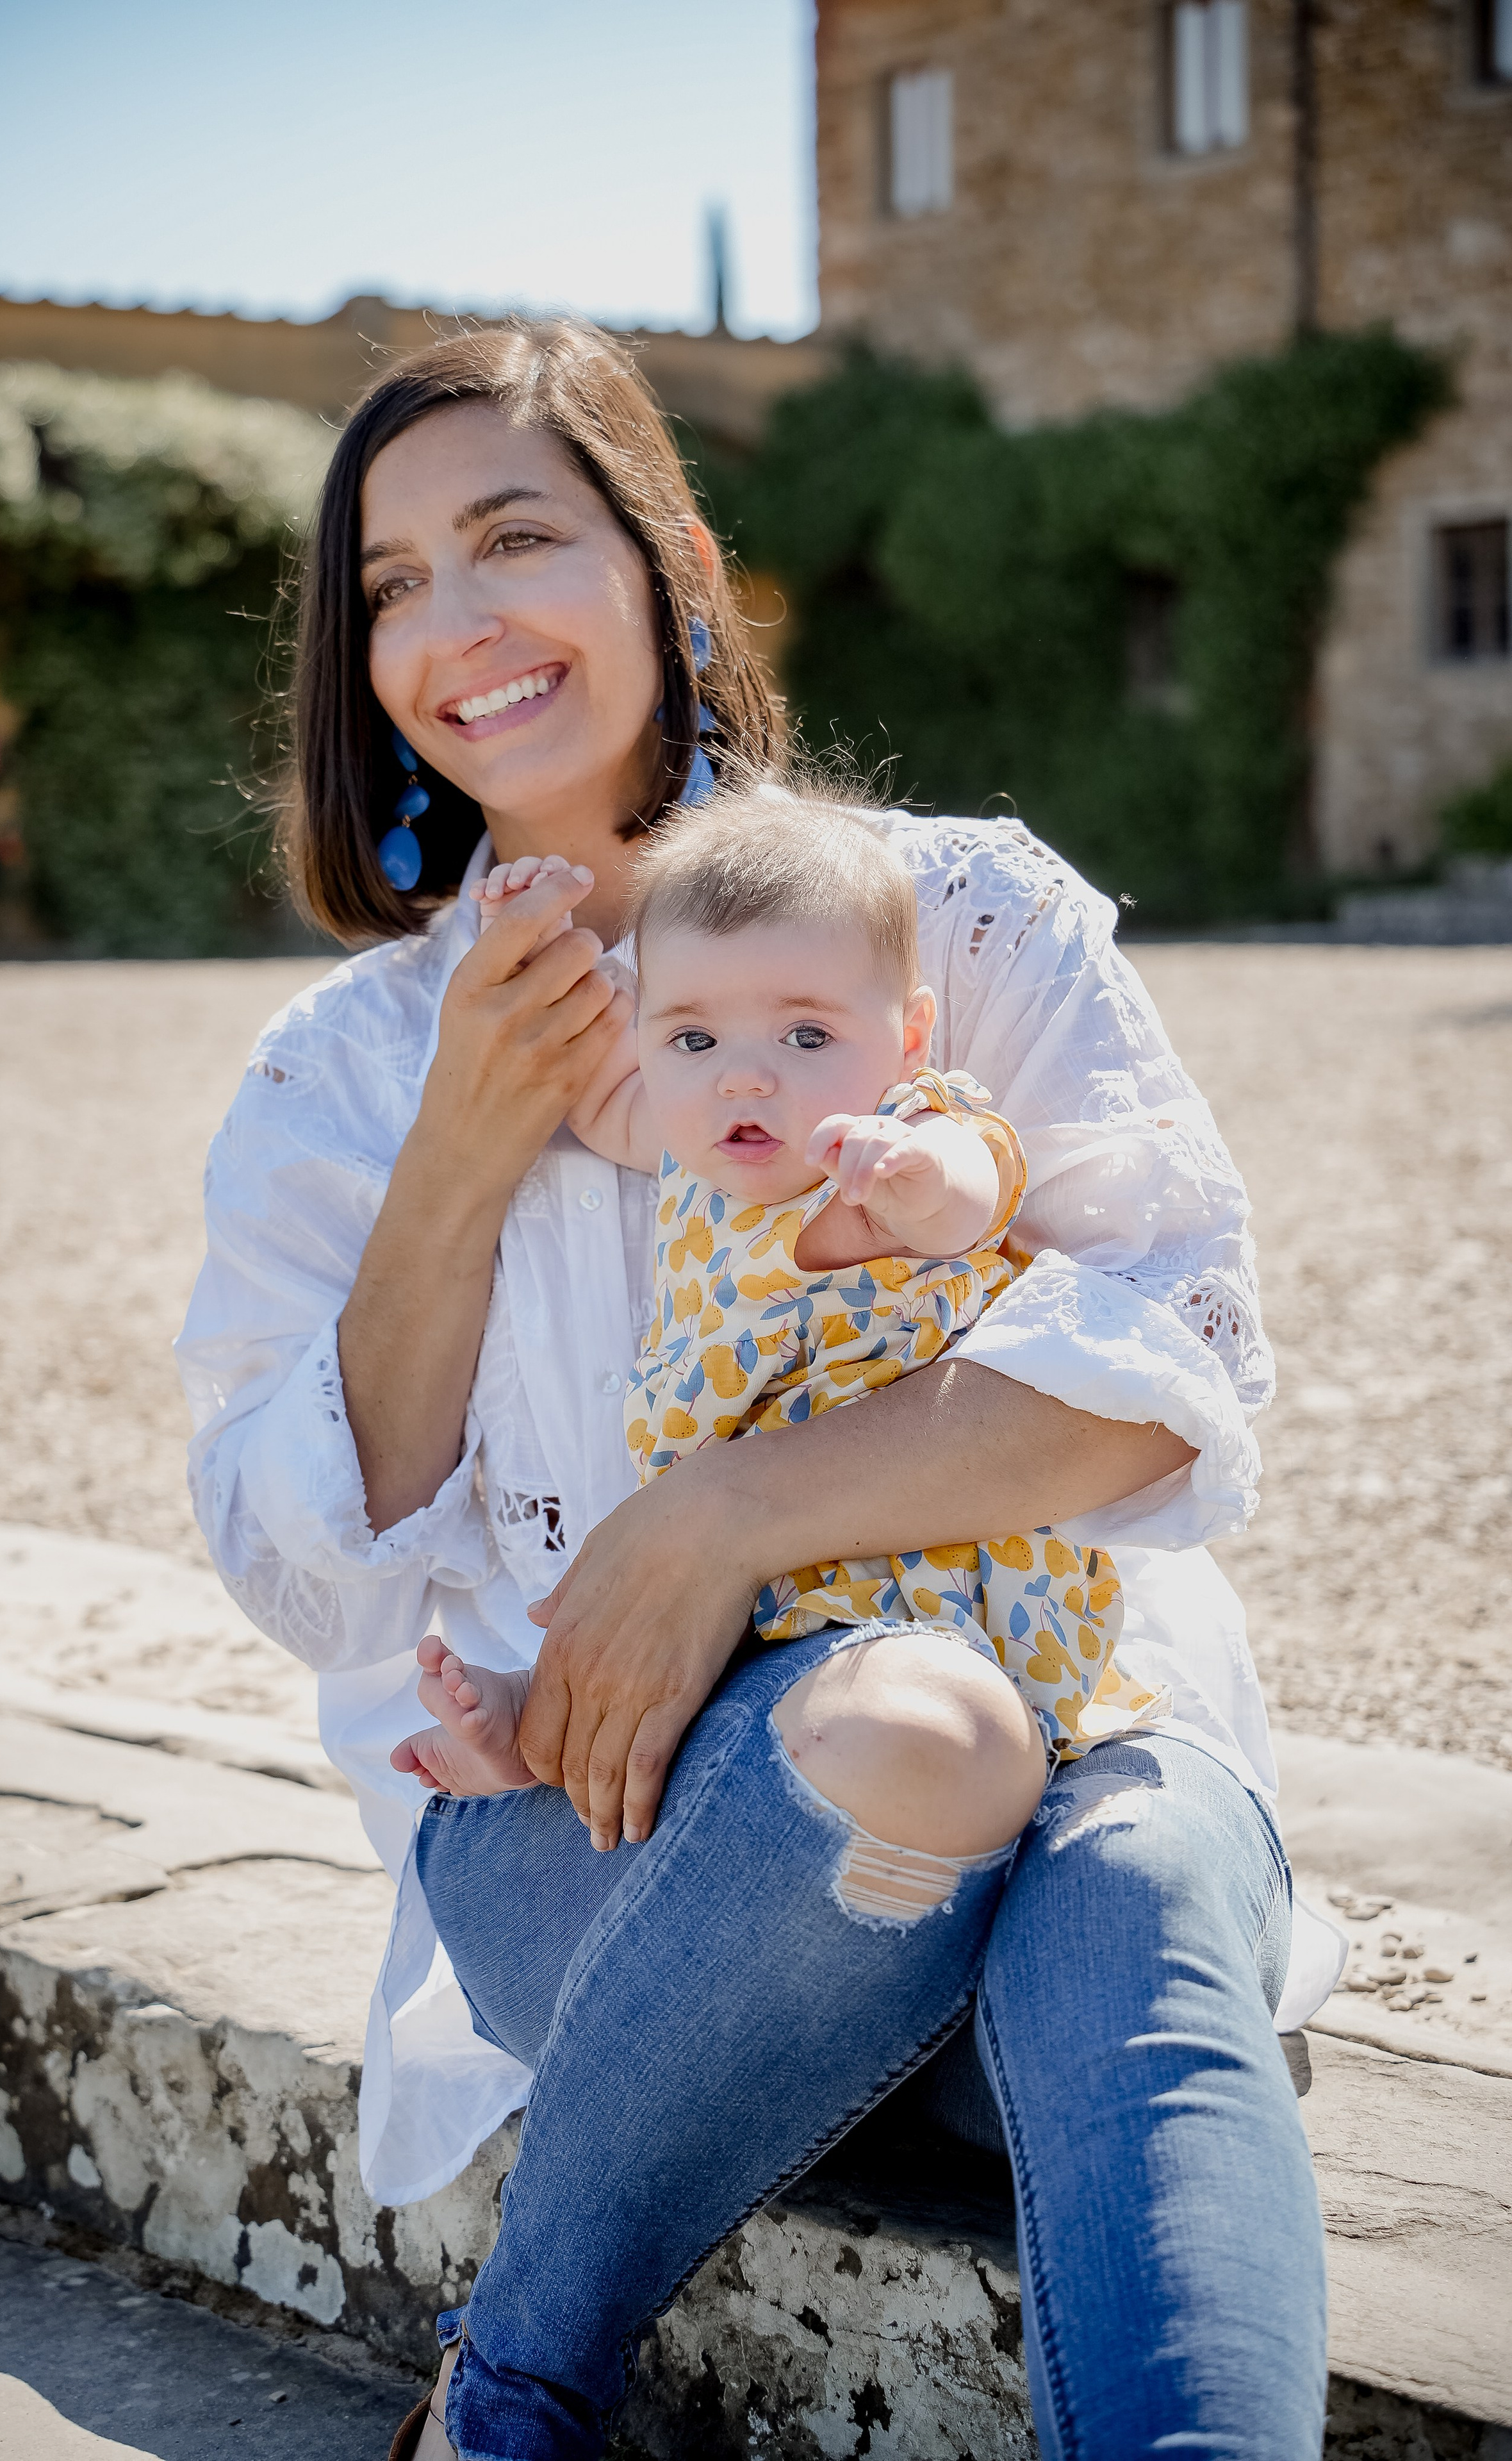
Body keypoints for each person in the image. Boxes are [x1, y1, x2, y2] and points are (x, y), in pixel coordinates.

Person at [175, 320, 1337, 2461]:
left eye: (515, 538)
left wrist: (722, 1517)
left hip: (1073, 1726)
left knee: (1123, 1867)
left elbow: (1176, 1368)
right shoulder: (340, 1073)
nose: (456, 622)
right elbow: (307, 1579)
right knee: (970, 1794)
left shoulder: (957, 917)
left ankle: (502, 2400)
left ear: (678, 569)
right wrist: (457, 1162)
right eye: (394, 585)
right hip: (598, 1843)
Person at [395, 795, 1165, 1834]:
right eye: (694, 1036)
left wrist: (910, 1175)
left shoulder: (906, 1129)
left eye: (807, 1034)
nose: (745, 1076)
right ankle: (543, 1717)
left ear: (909, 1037)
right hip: (729, 1569)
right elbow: (591, 1086)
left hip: (893, 1539)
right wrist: (531, 941)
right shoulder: (686, 1145)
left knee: (856, 1695)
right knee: (681, 1662)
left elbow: (975, 1191)